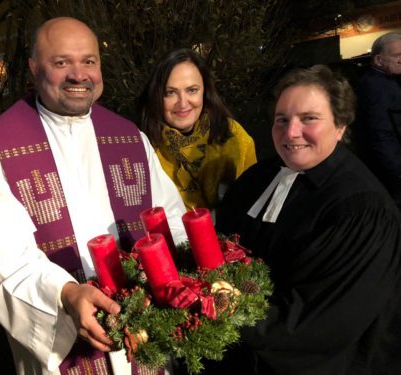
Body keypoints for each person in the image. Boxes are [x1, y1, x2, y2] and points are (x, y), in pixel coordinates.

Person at [0, 17, 187, 375]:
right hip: (63, 337)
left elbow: (169, 218)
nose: (78, 75)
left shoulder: (128, 136)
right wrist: (64, 293)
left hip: (143, 334)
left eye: (89, 61)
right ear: (34, 68)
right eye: (61, 62)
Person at [215, 65, 401, 374]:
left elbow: (321, 322)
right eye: (281, 120)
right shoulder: (257, 178)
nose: (291, 132)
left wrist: (220, 311)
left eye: (309, 119)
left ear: (340, 125)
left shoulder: (362, 208)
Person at [139, 48, 256, 211]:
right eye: (170, 92)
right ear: (157, 96)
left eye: (191, 90)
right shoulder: (145, 148)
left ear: (205, 91)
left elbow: (255, 199)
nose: (183, 103)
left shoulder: (233, 136)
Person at [353, 31, 401, 210]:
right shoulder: (375, 87)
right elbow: (379, 134)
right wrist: (398, 172)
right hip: (391, 177)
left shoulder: (387, 80)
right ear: (379, 60)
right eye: (397, 56)